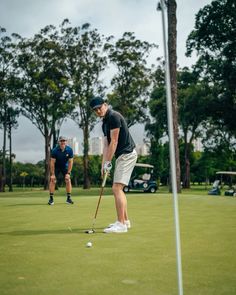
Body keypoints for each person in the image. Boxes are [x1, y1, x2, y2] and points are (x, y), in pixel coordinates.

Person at [90, 97, 137, 233]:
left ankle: (121, 224)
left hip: (127, 154)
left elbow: (114, 142)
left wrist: (109, 162)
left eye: (100, 107)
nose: (98, 111)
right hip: (121, 155)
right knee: (118, 188)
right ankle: (125, 221)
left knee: (116, 188)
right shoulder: (105, 123)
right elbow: (105, 145)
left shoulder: (114, 116)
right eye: (95, 110)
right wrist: (103, 164)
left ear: (105, 105)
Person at [48, 136, 74, 205]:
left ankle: (68, 199)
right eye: (61, 141)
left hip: (64, 167)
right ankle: (51, 199)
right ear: (59, 142)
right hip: (56, 167)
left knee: (68, 180)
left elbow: (70, 162)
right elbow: (52, 163)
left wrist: (68, 173)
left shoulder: (69, 150)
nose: (62, 142)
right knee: (53, 180)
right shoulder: (54, 150)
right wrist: (53, 174)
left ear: (66, 142)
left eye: (64, 141)